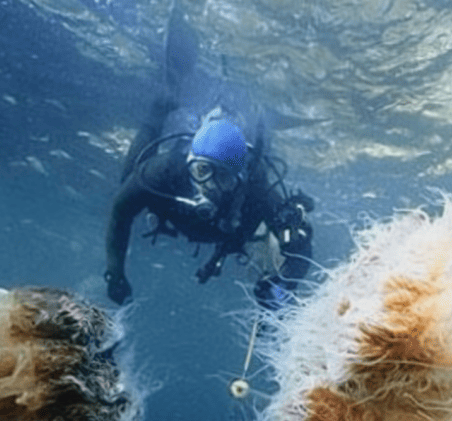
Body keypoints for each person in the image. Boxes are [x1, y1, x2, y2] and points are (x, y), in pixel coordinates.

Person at [103, 13, 314, 310]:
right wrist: (115, 271)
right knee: (129, 179)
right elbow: (120, 211)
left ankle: (263, 125)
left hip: (235, 204)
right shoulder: (165, 170)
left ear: (240, 176)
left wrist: (280, 286)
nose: (211, 186)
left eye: (224, 178)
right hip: (182, 194)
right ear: (189, 161)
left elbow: (301, 250)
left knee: (273, 227)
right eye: (203, 171)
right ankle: (164, 102)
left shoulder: (256, 192)